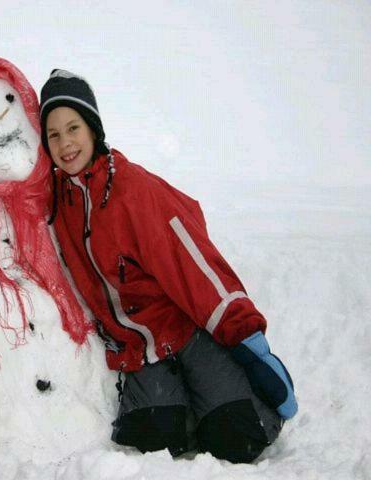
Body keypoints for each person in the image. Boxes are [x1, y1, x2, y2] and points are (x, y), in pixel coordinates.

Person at [39, 69, 297, 463]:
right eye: (53, 134)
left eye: (73, 127)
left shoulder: (133, 191)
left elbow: (192, 263)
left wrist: (245, 334)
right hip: (137, 348)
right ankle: (195, 406)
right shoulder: (57, 203)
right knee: (157, 443)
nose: (65, 143)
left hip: (186, 329)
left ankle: (225, 393)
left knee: (240, 438)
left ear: (93, 129)